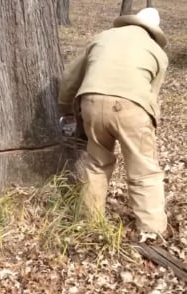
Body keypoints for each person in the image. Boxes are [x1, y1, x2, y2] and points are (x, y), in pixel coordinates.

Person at [58, 8, 169, 237]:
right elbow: (152, 95)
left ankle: (90, 221)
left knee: (97, 163)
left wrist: (65, 107)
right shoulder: (157, 53)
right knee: (144, 171)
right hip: (132, 107)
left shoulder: (103, 37)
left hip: (91, 102)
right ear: (153, 32)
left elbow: (70, 78)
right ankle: (152, 230)